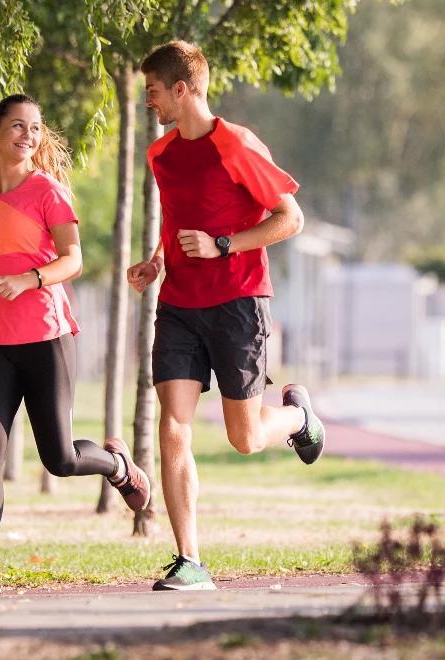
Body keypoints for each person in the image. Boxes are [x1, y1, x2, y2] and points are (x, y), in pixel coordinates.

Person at [126, 41, 327, 592]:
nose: (151, 103)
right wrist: (156, 261)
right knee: (173, 426)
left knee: (245, 438)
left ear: (183, 90)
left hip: (238, 302)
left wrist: (223, 244)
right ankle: (189, 559)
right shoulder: (161, 154)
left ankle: (299, 418)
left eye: (155, 92)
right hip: (179, 306)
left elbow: (291, 218)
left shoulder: (235, 145)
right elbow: (175, 218)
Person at [0, 94, 151, 596]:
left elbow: (72, 259)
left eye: (34, 128)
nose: (27, 136)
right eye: (16, 126)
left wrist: (31, 280)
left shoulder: (48, 190)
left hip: (45, 334)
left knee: (58, 457)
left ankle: (119, 466)